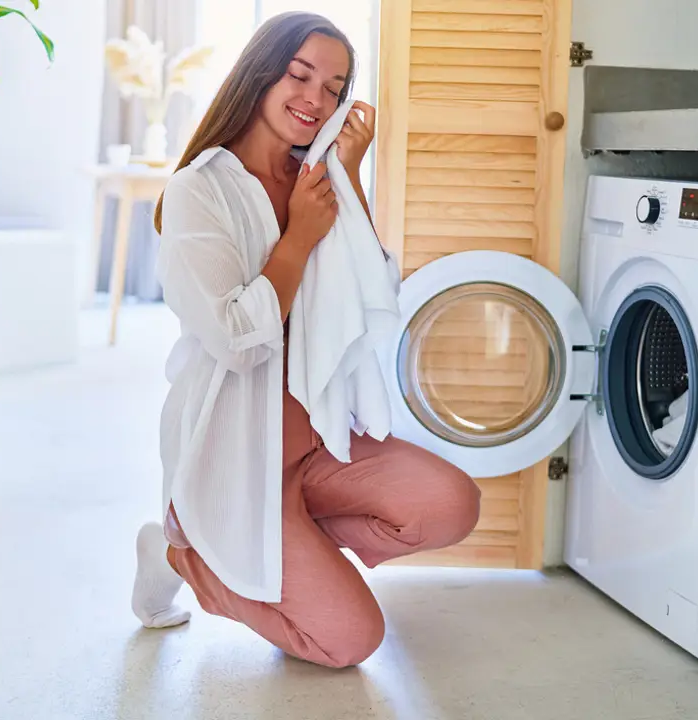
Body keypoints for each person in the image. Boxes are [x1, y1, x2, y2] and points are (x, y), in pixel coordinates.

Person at [129, 11, 482, 669]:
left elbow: (373, 291)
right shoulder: (198, 191)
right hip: (238, 458)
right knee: (350, 642)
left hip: (320, 445)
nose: (315, 99)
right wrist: (296, 241)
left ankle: (287, 545)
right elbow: (238, 343)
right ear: (260, 74)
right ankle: (180, 549)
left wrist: (351, 174)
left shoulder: (318, 178)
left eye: (334, 87)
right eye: (299, 75)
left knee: (451, 504)